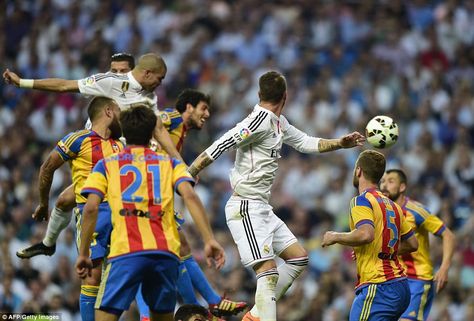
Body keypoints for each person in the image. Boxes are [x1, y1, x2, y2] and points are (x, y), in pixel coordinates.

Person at [187, 70, 365, 321]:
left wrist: (339, 142)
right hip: (245, 207)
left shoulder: (279, 122)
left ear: (260, 94)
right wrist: (191, 171)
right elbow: (222, 143)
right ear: (286, 96)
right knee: (268, 274)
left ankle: (257, 314)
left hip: (261, 208)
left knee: (298, 258)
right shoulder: (257, 121)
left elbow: (305, 142)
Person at [10, 53, 180, 259]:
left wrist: (180, 163)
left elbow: (159, 129)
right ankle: (49, 245)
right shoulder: (109, 82)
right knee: (64, 201)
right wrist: (23, 83)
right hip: (94, 152)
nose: (160, 83)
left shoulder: (148, 98)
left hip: (120, 158)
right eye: (159, 78)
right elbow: (64, 85)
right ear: (146, 73)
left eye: (121, 69)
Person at [75, 106, 225, 321]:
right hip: (164, 253)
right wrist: (209, 239)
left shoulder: (106, 164)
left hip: (126, 252)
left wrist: (82, 253)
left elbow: (90, 208)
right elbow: (190, 196)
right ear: (153, 133)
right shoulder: (170, 163)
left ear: (124, 132)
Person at [135, 89, 247, 320]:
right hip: (142, 194)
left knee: (181, 247)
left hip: (156, 194)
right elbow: (153, 121)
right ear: (188, 107)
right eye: (203, 108)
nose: (207, 114)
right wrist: (180, 164)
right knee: (141, 255)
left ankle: (203, 307)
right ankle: (190, 309)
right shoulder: (172, 118)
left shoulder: (181, 132)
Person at [22, 96, 124, 321]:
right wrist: (43, 202)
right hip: (92, 214)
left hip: (122, 215)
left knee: (130, 271)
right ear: (108, 112)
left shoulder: (121, 144)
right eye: (118, 110)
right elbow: (47, 167)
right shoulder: (77, 139)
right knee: (91, 276)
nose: (122, 115)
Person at [321, 150, 419, 321]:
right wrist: (377, 250)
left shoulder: (361, 200)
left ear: (358, 170)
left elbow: (366, 234)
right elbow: (412, 243)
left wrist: (335, 236)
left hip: (379, 286)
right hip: (401, 286)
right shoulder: (393, 205)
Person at [380, 169, 456, 321]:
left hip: (417, 280)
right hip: (393, 280)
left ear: (402, 187)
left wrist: (444, 267)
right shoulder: (380, 212)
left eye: (390, 181)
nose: (384, 186)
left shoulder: (416, 211)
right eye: (382, 181)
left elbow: (448, 235)